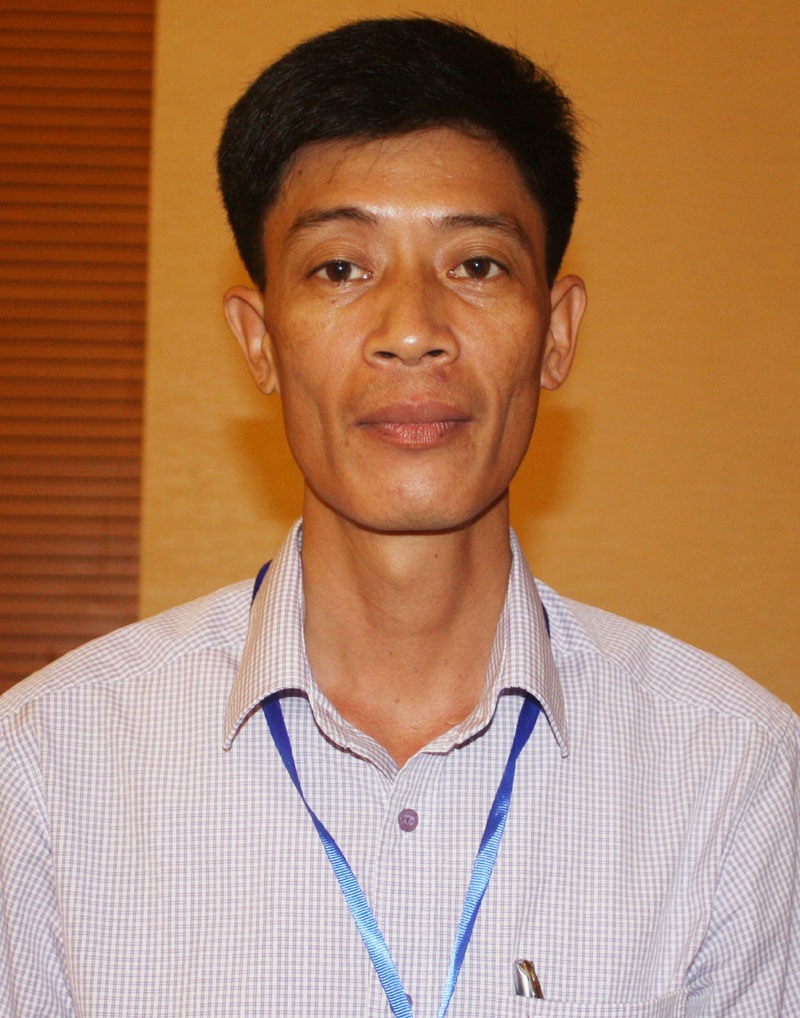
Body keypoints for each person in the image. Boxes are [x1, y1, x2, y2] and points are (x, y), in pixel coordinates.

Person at [1, 16, 797, 1017]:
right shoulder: (47, 767)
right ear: (258, 340)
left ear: (555, 334)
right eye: (340, 268)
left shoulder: (732, 770)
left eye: (477, 266)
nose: (413, 331)